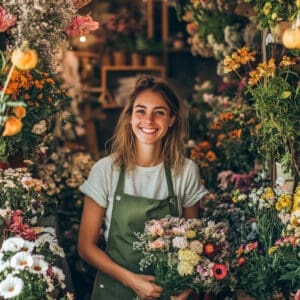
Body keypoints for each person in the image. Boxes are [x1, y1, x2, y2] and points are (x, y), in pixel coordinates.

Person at [78, 75, 208, 300]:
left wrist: (187, 285)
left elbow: (192, 244)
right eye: (140, 110)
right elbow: (85, 247)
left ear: (172, 119)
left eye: (159, 112)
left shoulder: (186, 171)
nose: (149, 120)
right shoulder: (106, 170)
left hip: (165, 291)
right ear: (129, 117)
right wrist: (131, 280)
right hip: (114, 290)